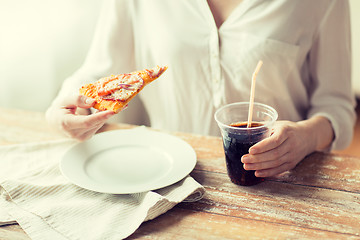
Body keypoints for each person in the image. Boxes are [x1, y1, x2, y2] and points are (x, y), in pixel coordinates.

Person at [46, 0, 356, 178]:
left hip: (279, 184)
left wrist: (305, 137)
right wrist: (68, 105)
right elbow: (98, 73)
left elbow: (337, 105)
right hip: (167, 179)